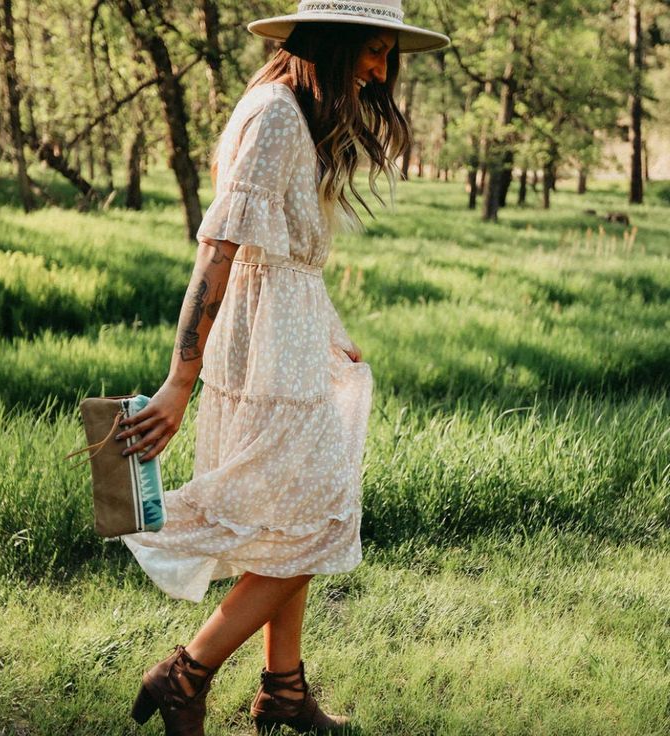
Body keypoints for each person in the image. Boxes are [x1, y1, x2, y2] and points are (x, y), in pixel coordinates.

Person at [114, 2, 449, 734]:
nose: (379, 70)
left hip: (291, 335)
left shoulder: (294, 109)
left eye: (387, 55)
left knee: (290, 519)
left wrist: (330, 331)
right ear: (333, 41)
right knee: (321, 521)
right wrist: (179, 379)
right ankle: (187, 673)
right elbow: (221, 250)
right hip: (266, 348)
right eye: (372, 50)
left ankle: (283, 690)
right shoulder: (273, 114)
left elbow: (284, 255)